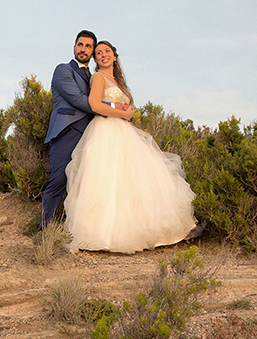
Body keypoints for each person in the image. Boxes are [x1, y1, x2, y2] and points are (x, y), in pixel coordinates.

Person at [63, 40, 197, 254]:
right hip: (105, 131)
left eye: (107, 51)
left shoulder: (117, 81)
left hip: (122, 132)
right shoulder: (98, 77)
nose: (103, 55)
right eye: (98, 53)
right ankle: (102, 235)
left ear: (115, 56)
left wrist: (128, 113)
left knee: (132, 181)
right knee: (107, 180)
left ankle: (138, 231)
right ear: (95, 60)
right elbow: (95, 105)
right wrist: (124, 113)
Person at [41, 30, 133, 229]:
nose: (83, 49)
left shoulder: (94, 76)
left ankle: (87, 228)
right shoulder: (63, 70)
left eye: (88, 46)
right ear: (74, 47)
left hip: (95, 134)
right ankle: (45, 229)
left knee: (92, 182)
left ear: (92, 52)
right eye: (80, 45)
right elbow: (79, 100)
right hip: (69, 130)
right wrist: (117, 108)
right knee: (58, 180)